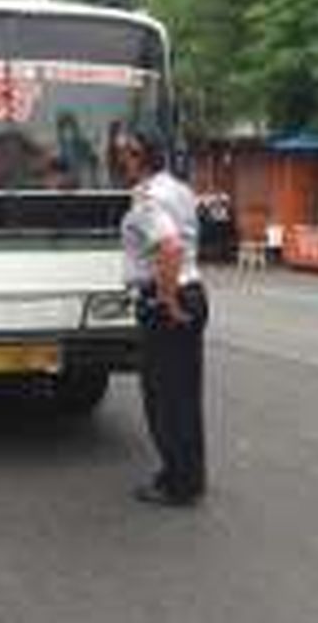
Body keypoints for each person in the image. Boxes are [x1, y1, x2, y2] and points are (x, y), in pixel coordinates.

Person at [118, 126, 209, 508]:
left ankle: (176, 484)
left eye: (125, 152)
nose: (120, 159)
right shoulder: (179, 188)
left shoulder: (148, 199)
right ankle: (190, 476)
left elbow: (169, 247)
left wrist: (167, 300)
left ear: (141, 156)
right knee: (186, 395)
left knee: (164, 400)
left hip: (166, 300)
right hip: (194, 292)